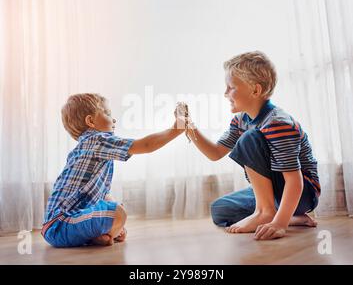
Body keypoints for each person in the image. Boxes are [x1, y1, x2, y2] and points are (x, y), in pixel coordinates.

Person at [176, 51, 320, 240]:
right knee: (220, 210)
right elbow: (215, 153)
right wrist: (188, 126)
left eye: (231, 87)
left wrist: (279, 225)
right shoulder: (240, 121)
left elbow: (294, 181)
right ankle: (289, 217)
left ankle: (268, 213)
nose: (225, 93)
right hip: (274, 193)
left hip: (302, 192)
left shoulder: (278, 123)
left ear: (255, 91)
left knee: (250, 138)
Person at [42, 93, 184, 247]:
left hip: (59, 225)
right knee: (118, 214)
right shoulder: (97, 140)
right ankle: (102, 234)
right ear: (90, 121)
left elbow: (98, 195)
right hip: (62, 224)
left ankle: (98, 235)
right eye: (107, 113)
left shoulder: (84, 147)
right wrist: (176, 128)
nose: (114, 119)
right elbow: (146, 145)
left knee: (111, 203)